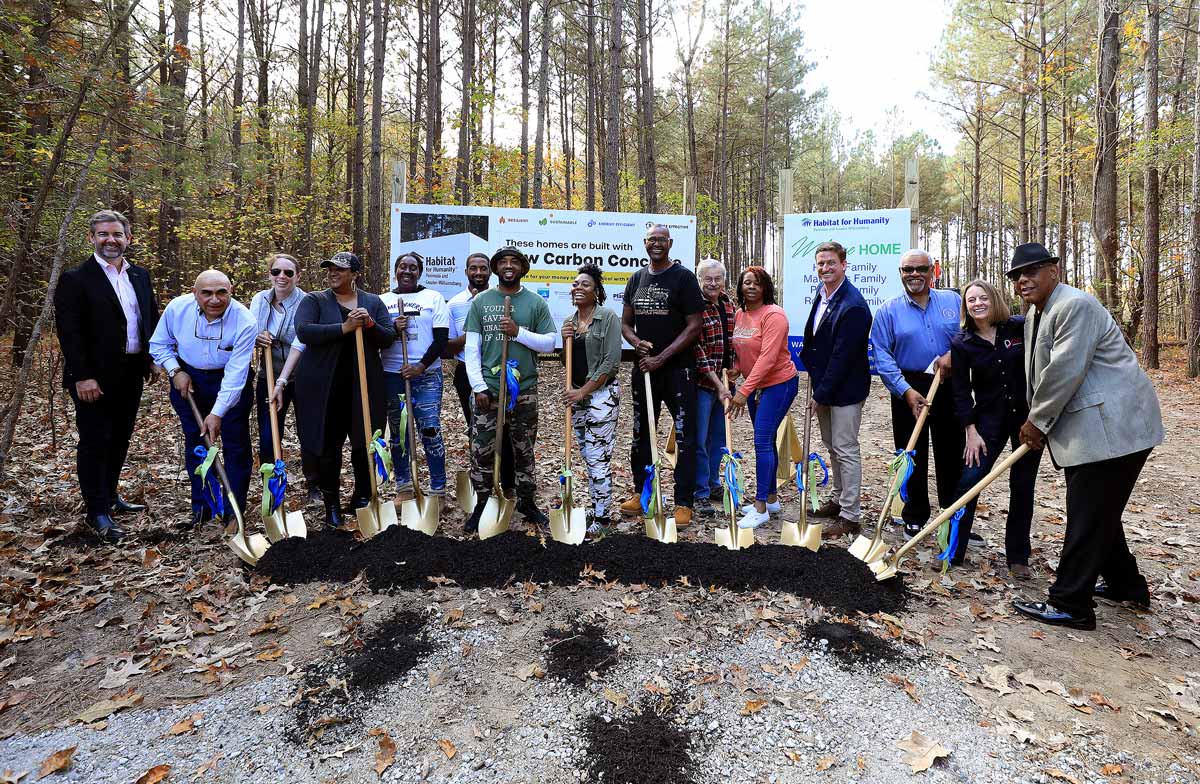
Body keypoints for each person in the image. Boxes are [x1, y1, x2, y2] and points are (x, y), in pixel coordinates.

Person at [1008, 243, 1163, 630]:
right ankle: (1127, 585)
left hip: (1114, 427)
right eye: (1016, 275)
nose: (1023, 280)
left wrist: (1037, 421)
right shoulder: (1035, 315)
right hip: (1091, 430)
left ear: (1054, 271)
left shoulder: (1074, 306)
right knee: (1099, 510)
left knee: (1087, 513)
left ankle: (1070, 602)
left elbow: (1064, 370)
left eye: (1032, 271)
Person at [54, 209, 160, 543]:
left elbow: (150, 320)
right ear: (92, 238)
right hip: (93, 379)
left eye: (116, 234)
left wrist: (152, 359)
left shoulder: (140, 276)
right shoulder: (76, 279)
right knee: (95, 441)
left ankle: (111, 496)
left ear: (128, 238)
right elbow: (69, 332)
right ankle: (96, 511)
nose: (110, 240)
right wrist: (82, 376)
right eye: (103, 234)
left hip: (131, 372)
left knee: (119, 438)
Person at [293, 252, 396, 528]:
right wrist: (345, 327)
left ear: (355, 274)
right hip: (323, 386)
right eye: (330, 269)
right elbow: (304, 331)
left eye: (340, 269)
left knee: (365, 444)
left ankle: (362, 498)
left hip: (363, 384)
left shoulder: (372, 302)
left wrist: (370, 324)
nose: (333, 273)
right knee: (328, 447)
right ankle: (332, 506)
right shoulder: (314, 300)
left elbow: (388, 337)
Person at [869, 249, 966, 540]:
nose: (914, 274)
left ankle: (952, 516)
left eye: (921, 268)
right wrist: (905, 391)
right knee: (912, 453)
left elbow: (970, 333)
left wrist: (953, 354)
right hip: (908, 387)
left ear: (932, 271)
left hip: (948, 384)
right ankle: (914, 515)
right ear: (900, 273)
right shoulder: (888, 310)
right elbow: (882, 354)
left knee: (951, 453)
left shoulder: (953, 301)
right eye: (907, 269)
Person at [948, 278, 1041, 577]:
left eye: (982, 298)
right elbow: (961, 392)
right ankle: (953, 550)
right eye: (971, 300)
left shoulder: (1018, 327)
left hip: (1027, 421)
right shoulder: (962, 342)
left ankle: (1018, 558)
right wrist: (970, 431)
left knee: (1022, 485)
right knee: (969, 482)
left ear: (994, 299)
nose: (977, 303)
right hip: (987, 422)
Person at [149, 270, 256, 528]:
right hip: (189, 381)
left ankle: (233, 511)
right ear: (194, 293)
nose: (214, 299)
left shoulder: (245, 321)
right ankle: (204, 507)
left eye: (222, 292)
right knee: (197, 445)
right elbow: (158, 344)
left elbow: (236, 373)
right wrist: (175, 371)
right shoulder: (177, 309)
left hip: (230, 382)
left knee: (236, 446)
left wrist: (218, 413)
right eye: (206, 293)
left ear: (231, 291)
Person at [463, 246, 557, 534]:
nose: (507, 266)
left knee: (524, 449)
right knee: (481, 450)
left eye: (513, 261)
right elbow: (471, 349)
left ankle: (526, 501)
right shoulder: (481, 302)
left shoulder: (535, 303)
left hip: (524, 390)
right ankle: (482, 502)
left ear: (522, 267)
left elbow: (549, 343)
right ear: (495, 268)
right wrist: (478, 386)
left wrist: (518, 333)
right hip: (488, 390)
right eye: (501, 261)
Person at [619, 225, 705, 528]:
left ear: (669, 244)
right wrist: (635, 341)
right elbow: (626, 323)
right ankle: (643, 494)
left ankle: (683, 502)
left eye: (661, 240)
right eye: (651, 240)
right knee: (642, 433)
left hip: (678, 370)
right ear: (645, 244)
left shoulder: (683, 278)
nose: (656, 244)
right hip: (645, 371)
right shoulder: (636, 279)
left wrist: (662, 357)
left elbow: (694, 326)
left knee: (685, 437)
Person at [799, 241, 872, 538]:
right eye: (820, 264)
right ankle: (839, 499)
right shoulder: (823, 294)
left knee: (845, 448)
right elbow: (816, 338)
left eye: (831, 263)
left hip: (845, 390)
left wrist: (820, 393)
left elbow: (843, 357)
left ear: (844, 264)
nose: (825, 268)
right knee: (832, 446)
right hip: (825, 385)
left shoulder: (852, 305)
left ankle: (850, 515)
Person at [727, 267, 798, 529]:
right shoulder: (740, 314)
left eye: (757, 283)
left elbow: (768, 357)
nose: (751, 287)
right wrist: (736, 367)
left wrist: (743, 391)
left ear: (766, 287)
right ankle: (771, 499)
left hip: (779, 384)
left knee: (761, 441)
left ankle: (760, 508)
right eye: (746, 282)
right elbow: (742, 348)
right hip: (757, 386)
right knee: (765, 439)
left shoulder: (774, 315)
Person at [250, 253, 321, 507]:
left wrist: (282, 380)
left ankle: (314, 485)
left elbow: (303, 341)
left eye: (288, 273)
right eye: (276, 271)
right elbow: (250, 332)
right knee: (269, 433)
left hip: (302, 377)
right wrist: (257, 338)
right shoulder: (259, 300)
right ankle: (272, 487)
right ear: (269, 274)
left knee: (309, 432)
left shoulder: (308, 302)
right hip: (267, 375)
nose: (282, 277)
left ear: (298, 276)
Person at [381, 251, 450, 500]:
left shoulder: (433, 297)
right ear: (396, 270)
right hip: (392, 375)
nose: (407, 271)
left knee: (430, 430)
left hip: (426, 376)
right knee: (399, 433)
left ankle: (438, 488)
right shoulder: (383, 300)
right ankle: (404, 487)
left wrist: (420, 366)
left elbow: (442, 339)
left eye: (413, 267)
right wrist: (391, 328)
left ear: (419, 272)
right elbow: (376, 337)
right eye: (402, 266)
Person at [560, 264, 623, 534]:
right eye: (575, 283)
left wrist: (583, 391)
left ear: (597, 291)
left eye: (585, 284)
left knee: (598, 456)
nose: (578, 287)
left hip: (601, 397)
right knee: (587, 454)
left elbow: (610, 362)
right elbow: (567, 362)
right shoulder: (569, 323)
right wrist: (565, 341)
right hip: (578, 398)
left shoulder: (607, 317)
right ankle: (597, 505)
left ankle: (603, 518)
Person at [445, 253, 514, 490]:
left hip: (498, 371)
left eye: (483, 269)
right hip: (467, 373)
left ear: (490, 272)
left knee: (505, 430)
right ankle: (482, 483)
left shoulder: (502, 299)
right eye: (473, 268)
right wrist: (475, 329)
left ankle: (507, 482)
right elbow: (448, 345)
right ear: (466, 272)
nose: (478, 273)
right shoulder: (454, 304)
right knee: (477, 429)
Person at [691, 258, 736, 519]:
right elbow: (698, 352)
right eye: (707, 279)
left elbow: (735, 342)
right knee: (700, 439)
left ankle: (713, 483)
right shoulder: (695, 306)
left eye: (717, 278)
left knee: (719, 438)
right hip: (703, 384)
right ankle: (700, 492)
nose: (713, 283)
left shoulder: (728, 303)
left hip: (726, 384)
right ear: (699, 280)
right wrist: (719, 385)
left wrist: (735, 371)